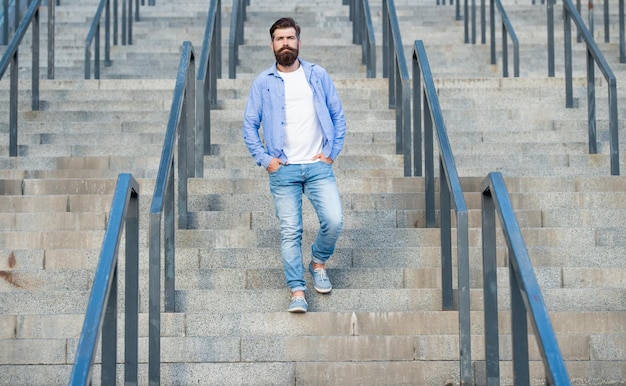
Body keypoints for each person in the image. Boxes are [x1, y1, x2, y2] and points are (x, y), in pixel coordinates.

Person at [242, 17, 346, 313]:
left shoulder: (317, 75)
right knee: (291, 232)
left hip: (317, 165)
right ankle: (297, 290)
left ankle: (318, 262)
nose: (285, 43)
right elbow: (249, 125)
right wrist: (265, 159)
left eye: (290, 38)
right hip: (283, 168)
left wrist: (331, 152)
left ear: (299, 42)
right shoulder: (263, 83)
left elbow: (338, 116)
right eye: (279, 39)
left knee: (334, 220)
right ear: (272, 44)